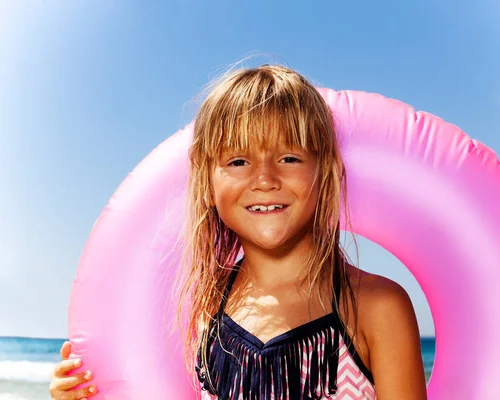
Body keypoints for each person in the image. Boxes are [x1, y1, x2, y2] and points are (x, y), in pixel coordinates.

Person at [49, 64, 427, 399]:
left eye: (289, 158)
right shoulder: (201, 309)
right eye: (238, 161)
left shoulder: (376, 308)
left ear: (324, 169)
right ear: (207, 179)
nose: (264, 179)